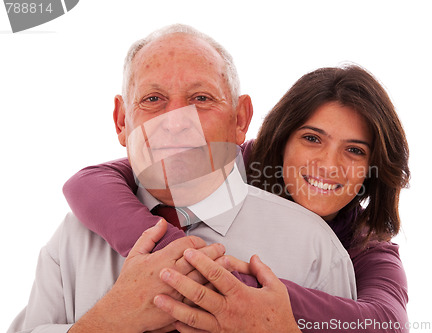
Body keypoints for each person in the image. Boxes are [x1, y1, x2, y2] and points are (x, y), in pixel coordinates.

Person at [8, 25, 357, 333]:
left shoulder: (315, 249)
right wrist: (109, 322)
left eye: (201, 99)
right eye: (153, 99)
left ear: (240, 119)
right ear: (121, 122)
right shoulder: (72, 240)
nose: (175, 121)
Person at [61, 65, 410, 332]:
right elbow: (91, 182)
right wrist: (178, 254)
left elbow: (387, 323)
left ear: (373, 167)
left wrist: (263, 304)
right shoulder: (234, 162)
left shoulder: (368, 247)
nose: (328, 165)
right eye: (312, 139)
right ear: (283, 136)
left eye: (354, 150)